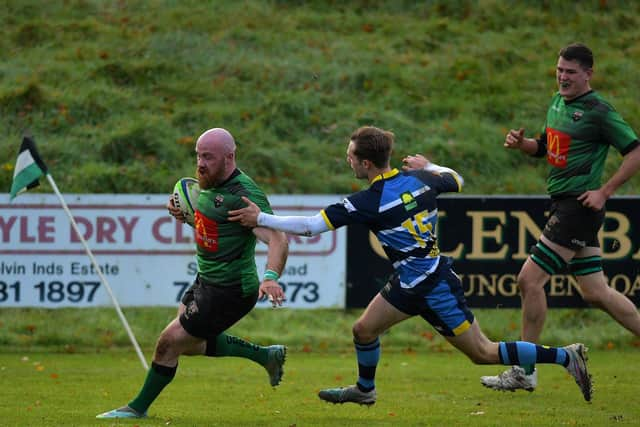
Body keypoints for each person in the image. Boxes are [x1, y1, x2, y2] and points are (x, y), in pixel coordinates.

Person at [228, 125, 593, 404]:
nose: (348, 160)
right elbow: (456, 179)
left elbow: (309, 227)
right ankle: (365, 391)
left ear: (366, 163)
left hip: (433, 285)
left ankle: (566, 356)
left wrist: (263, 217)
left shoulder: (368, 200)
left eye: (350, 155)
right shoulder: (420, 180)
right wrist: (429, 165)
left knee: (483, 352)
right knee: (363, 331)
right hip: (409, 280)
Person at [96, 128, 290, 419]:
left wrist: (271, 277)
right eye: (198, 155)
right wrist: (184, 214)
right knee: (191, 344)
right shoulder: (208, 183)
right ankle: (266, 356)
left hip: (232, 290)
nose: (200, 163)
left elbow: (277, 238)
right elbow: (215, 223)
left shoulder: (244, 196)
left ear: (229, 157)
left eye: (208, 157)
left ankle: (136, 409)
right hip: (206, 280)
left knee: (168, 343)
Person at [480, 43, 640, 393]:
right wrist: (524, 145)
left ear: (588, 74)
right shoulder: (557, 103)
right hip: (565, 205)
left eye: (570, 71)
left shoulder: (599, 111)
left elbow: (635, 151)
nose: (563, 76)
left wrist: (605, 191)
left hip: (578, 207)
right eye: (559, 70)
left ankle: (525, 370)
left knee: (529, 280)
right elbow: (546, 146)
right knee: (597, 292)